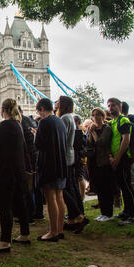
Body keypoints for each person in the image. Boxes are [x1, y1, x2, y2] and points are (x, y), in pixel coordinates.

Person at [0, 99, 28, 254]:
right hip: (19, 170)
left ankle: (5, 241)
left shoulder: (4, 125)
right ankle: (24, 233)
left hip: (6, 171)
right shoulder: (18, 125)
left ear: (3, 109)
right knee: (19, 203)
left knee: (5, 205)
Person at [32, 98, 67, 242]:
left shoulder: (44, 122)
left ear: (41, 109)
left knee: (50, 197)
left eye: (38, 111)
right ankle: (59, 229)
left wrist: (35, 134)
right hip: (60, 162)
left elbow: (38, 145)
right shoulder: (60, 121)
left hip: (48, 164)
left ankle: (52, 232)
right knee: (59, 196)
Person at [55, 96, 89, 234]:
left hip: (65, 157)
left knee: (66, 189)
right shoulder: (70, 117)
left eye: (57, 101)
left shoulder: (64, 119)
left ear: (62, 104)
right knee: (72, 187)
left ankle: (78, 217)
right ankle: (74, 218)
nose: (55, 103)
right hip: (70, 156)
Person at [107, 98, 134, 226]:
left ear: (120, 106)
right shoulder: (113, 122)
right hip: (115, 158)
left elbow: (126, 140)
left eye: (113, 105)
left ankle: (131, 215)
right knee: (122, 186)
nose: (111, 108)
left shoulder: (124, 120)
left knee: (127, 186)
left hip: (123, 158)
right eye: (109, 106)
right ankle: (126, 211)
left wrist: (118, 157)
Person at [87, 108, 114, 221]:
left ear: (103, 116)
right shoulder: (92, 128)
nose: (95, 117)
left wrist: (93, 132)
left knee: (106, 188)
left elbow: (101, 143)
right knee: (99, 188)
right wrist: (90, 132)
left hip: (104, 161)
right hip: (94, 161)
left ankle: (108, 213)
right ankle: (103, 212)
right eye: (93, 115)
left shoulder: (106, 128)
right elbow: (89, 143)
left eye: (98, 114)